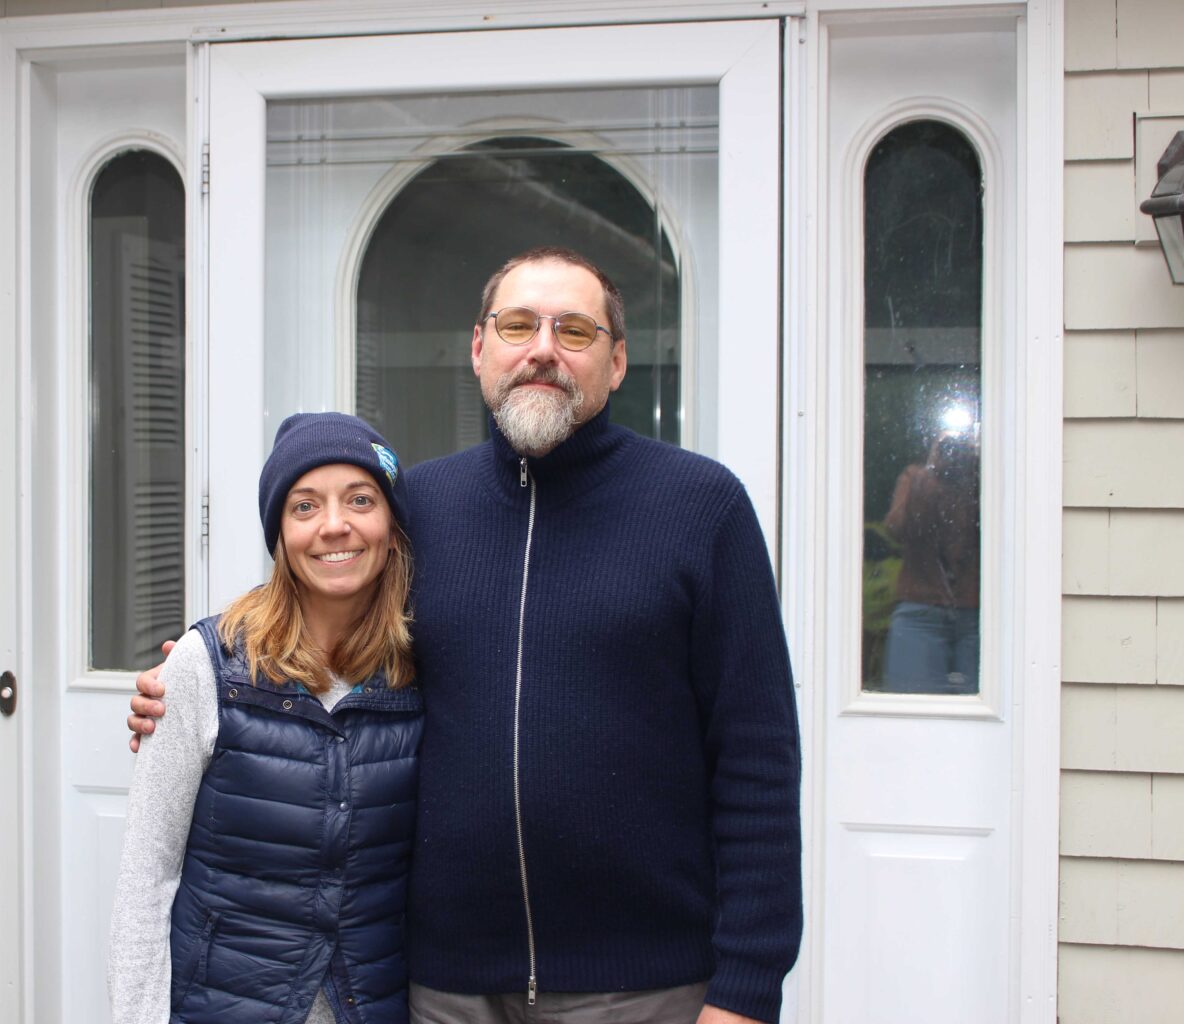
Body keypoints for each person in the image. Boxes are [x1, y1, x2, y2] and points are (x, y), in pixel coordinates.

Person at [129, 247, 802, 1024]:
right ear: (480, 350)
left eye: (574, 330)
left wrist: (747, 990)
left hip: (640, 988)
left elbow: (757, 762)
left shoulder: (701, 509)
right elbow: (323, 621)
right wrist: (195, 673)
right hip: (443, 988)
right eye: (518, 325)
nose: (542, 348)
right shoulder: (421, 508)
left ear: (616, 363)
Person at [108, 412, 423, 1024]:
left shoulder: (421, 671)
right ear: (280, 533)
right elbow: (146, 880)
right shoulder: (209, 666)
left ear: (391, 526)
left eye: (360, 500)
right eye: (304, 506)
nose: (335, 526)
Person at [880, 425, 981, 693]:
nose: (953, 454)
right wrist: (928, 475)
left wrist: (973, 478)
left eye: (961, 448)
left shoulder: (982, 483)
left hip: (977, 612)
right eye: (946, 447)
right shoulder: (917, 479)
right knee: (909, 706)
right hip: (919, 607)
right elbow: (896, 527)